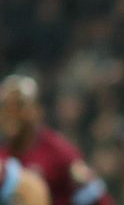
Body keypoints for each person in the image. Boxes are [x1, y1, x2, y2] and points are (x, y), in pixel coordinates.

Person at [0, 76, 114, 205]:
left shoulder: (58, 150)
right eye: (5, 106)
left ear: (36, 110)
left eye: (18, 106)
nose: (10, 113)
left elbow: (95, 195)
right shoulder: (2, 156)